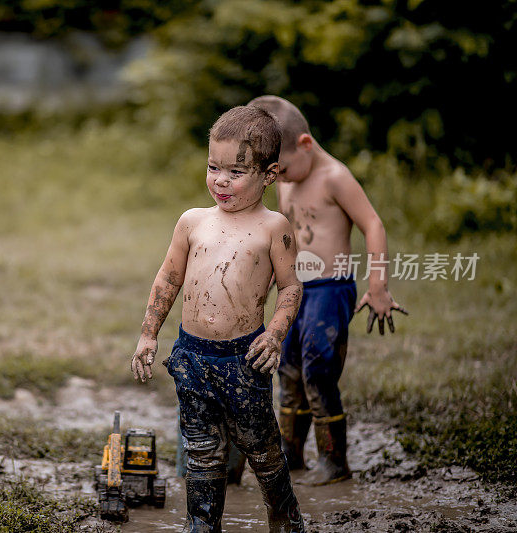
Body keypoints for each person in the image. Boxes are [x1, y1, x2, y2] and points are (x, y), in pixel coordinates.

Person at [130, 105, 306, 532]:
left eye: (236, 172)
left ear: (269, 174)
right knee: (201, 449)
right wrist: (148, 333)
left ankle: (284, 517)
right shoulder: (193, 222)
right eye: (213, 167)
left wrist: (276, 334)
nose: (221, 181)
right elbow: (168, 278)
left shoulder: (273, 226)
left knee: (261, 446)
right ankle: (202, 525)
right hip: (192, 354)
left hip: (243, 358)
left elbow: (291, 288)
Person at [250, 95, 407, 486]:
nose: (279, 178)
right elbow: (287, 235)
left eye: (282, 169)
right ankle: (291, 454)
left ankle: (335, 460)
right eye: (273, 172)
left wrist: (378, 285)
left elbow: (373, 224)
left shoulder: (334, 177)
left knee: (318, 368)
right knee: (286, 368)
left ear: (304, 144)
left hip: (330, 288)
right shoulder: (288, 179)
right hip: (295, 289)